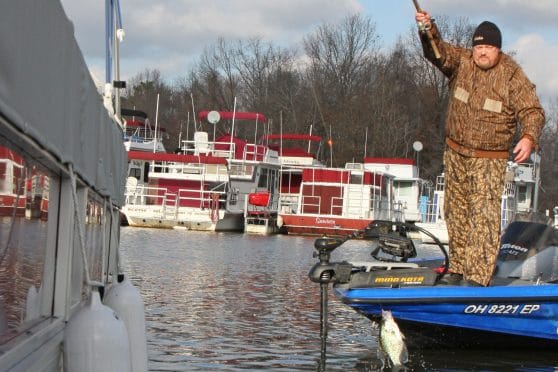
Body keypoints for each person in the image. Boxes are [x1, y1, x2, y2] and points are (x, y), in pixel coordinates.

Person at [414, 11, 546, 286]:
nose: (482, 52)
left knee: (483, 217)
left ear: (498, 49)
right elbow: (438, 53)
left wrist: (528, 138)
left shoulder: (511, 75)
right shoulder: (462, 62)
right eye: (478, 47)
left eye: (487, 47)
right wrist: (428, 30)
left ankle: (476, 278)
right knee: (455, 212)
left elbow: (532, 110)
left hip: (489, 158)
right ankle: (458, 269)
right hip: (455, 153)